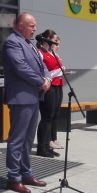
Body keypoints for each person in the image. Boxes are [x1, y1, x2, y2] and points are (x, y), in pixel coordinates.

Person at [3, 13, 50, 193]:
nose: (35, 29)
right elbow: (21, 67)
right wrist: (40, 82)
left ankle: (26, 173)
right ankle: (13, 178)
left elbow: (42, 64)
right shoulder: (12, 42)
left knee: (28, 139)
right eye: (32, 26)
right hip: (21, 98)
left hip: (33, 97)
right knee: (17, 139)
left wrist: (47, 78)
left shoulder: (29, 43)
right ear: (21, 25)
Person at [36, 30, 63, 158]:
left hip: (56, 86)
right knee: (46, 117)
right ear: (47, 39)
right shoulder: (40, 52)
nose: (56, 43)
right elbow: (42, 72)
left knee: (51, 117)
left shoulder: (51, 53)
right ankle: (41, 147)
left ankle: (47, 146)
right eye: (54, 40)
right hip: (47, 87)